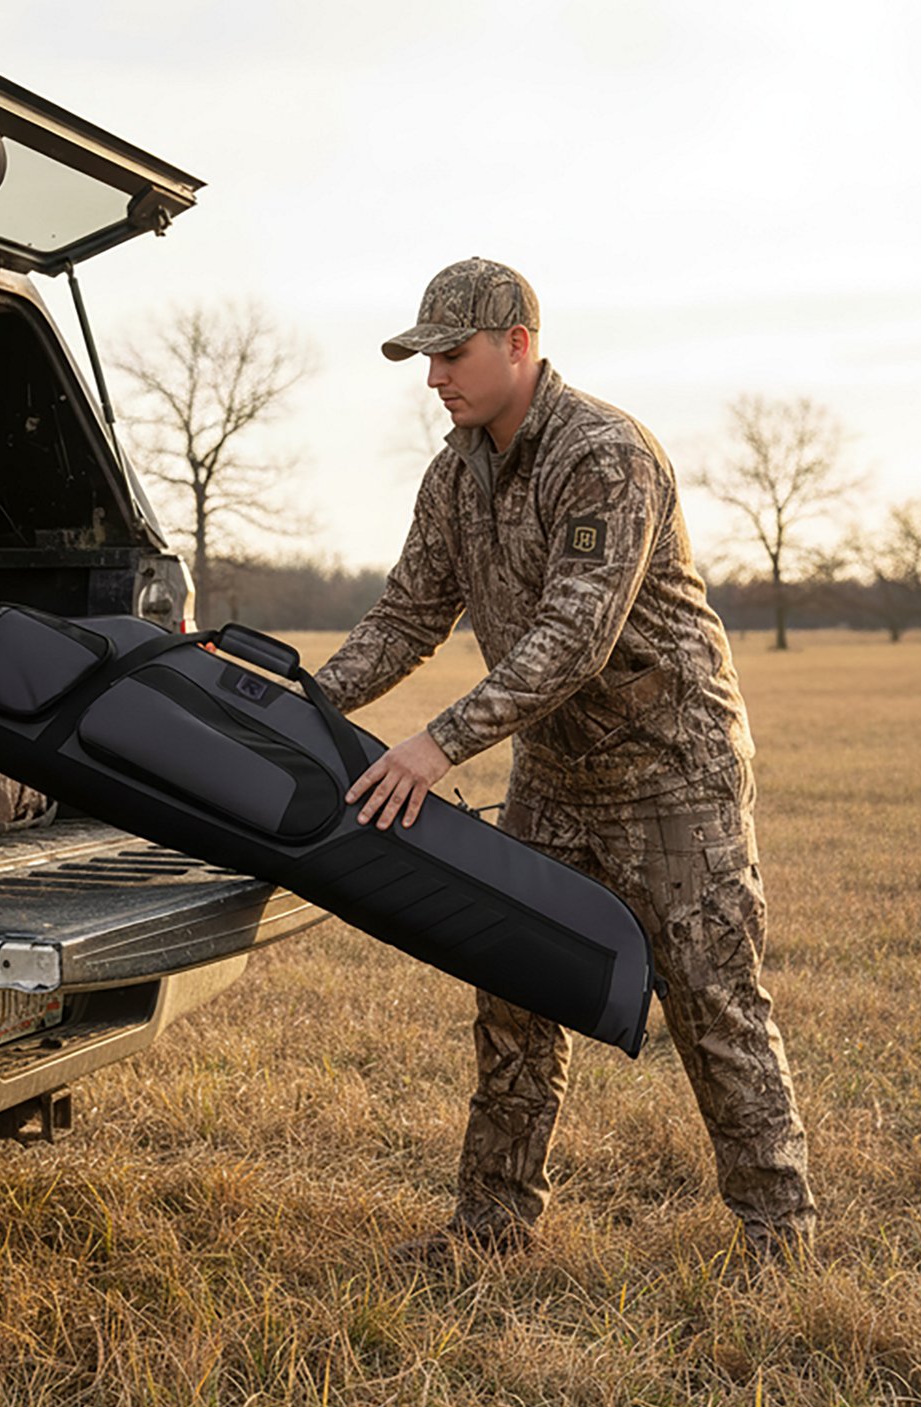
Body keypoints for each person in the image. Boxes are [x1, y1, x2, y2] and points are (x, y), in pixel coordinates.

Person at [314, 258, 817, 1264]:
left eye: (451, 356)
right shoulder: (453, 473)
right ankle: (492, 1227)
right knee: (512, 989)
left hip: (673, 773)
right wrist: (298, 704)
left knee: (714, 1003)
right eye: (424, 359)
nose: (433, 379)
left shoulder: (605, 455)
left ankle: (780, 1239)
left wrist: (435, 744)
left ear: (518, 345)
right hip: (555, 776)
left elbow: (574, 635)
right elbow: (408, 614)